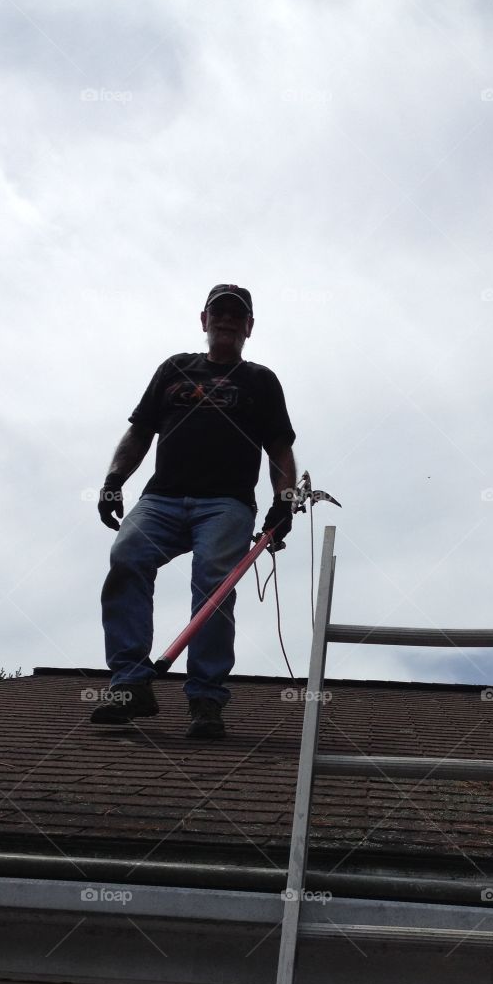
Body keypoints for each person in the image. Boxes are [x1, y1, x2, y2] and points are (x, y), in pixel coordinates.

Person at [92, 283, 297, 740]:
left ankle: (205, 698)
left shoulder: (260, 380)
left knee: (213, 584)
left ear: (249, 327)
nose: (225, 320)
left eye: (235, 315)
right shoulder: (173, 369)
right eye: (217, 313)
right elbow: (139, 432)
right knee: (126, 557)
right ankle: (129, 686)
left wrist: (282, 502)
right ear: (203, 320)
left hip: (226, 504)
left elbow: (279, 449)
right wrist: (112, 482)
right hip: (161, 498)